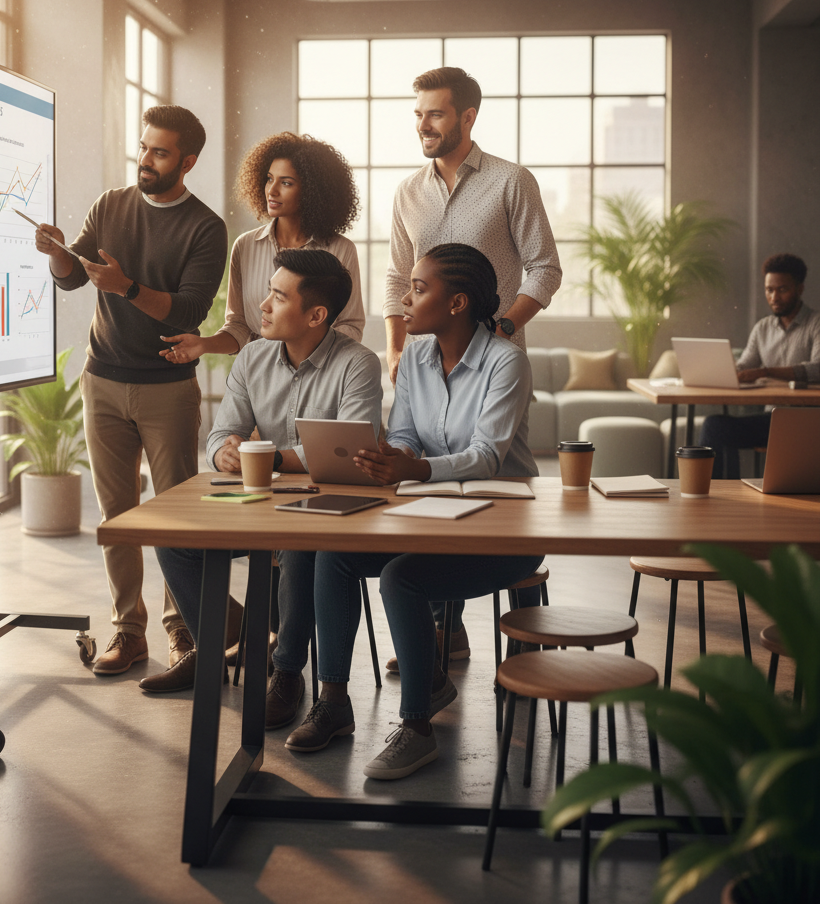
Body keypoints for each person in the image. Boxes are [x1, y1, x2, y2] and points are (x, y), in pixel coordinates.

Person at [285, 243, 543, 780]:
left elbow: (487, 456)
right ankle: (333, 702)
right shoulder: (415, 359)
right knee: (335, 550)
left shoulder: (506, 360)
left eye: (420, 289)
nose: (405, 299)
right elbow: (403, 435)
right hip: (430, 514)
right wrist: (388, 458)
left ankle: (418, 727)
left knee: (403, 577)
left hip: (503, 528)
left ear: (457, 303)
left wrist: (417, 469)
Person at [146, 249, 383, 731]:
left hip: (325, 511)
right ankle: (218, 644)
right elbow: (220, 434)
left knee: (298, 546)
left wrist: (270, 455)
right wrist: (224, 454)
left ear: (316, 315)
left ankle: (287, 673)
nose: (264, 304)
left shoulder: (357, 364)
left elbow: (350, 447)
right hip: (260, 505)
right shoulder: (252, 357)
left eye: (278, 295)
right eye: (268, 291)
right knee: (172, 538)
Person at [36, 105, 227, 676]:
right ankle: (128, 631)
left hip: (167, 385)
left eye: (160, 152)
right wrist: (56, 256)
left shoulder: (206, 228)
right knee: (117, 514)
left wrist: (126, 287)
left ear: (187, 162)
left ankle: (184, 630)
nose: (146, 159)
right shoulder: (111, 204)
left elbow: (190, 309)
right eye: (143, 148)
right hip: (104, 377)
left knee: (176, 517)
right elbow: (76, 276)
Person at [383, 65, 561, 660]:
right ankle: (440, 628)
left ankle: (523, 638)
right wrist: (397, 344)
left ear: (467, 117)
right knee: (429, 460)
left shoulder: (511, 181)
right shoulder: (408, 191)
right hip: (426, 355)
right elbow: (395, 274)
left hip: (495, 362)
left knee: (493, 474)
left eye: (434, 113)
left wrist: (503, 328)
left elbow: (545, 267)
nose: (422, 125)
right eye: (417, 115)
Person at [158, 131, 365, 365]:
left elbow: (350, 327)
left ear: (313, 192)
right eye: (269, 178)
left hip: (321, 374)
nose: (272, 190)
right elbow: (238, 327)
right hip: (258, 374)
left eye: (286, 183)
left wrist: (306, 359)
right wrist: (204, 345)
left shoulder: (340, 250)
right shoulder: (245, 246)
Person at [700, 253, 820, 478]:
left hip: (809, 423)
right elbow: (745, 365)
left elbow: (818, 369)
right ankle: (721, 497)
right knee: (714, 427)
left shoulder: (816, 324)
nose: (774, 297)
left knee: (715, 427)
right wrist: (724, 370)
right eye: (769, 290)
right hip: (773, 422)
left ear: (800, 288)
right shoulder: (762, 328)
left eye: (782, 289)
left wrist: (766, 371)